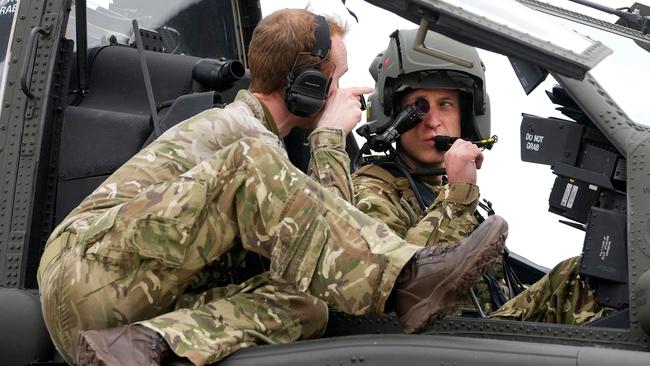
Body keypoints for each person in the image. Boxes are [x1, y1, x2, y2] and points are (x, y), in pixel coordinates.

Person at [37, 10, 507, 366]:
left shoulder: (269, 154)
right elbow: (345, 231)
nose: (343, 94)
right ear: (304, 84)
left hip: (123, 310)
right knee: (255, 168)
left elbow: (333, 259)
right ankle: (409, 281)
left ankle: (150, 344)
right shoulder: (238, 131)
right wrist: (328, 136)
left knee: (310, 303)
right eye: (336, 80)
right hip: (86, 267)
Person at [355, 27, 613, 323]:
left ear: (465, 116)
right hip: (436, 343)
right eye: (419, 107)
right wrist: (458, 194)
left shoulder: (442, 190)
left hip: (477, 332)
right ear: (392, 115)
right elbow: (403, 287)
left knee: (588, 277)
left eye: (446, 105)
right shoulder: (371, 191)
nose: (434, 122)